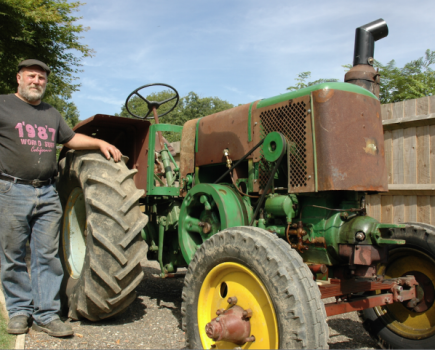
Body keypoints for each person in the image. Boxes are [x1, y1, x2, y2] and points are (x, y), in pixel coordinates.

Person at [0, 59, 122, 338]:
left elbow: (69, 140)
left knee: (48, 255)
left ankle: (46, 314)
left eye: (41, 78)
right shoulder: (4, 105)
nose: (36, 81)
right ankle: (19, 311)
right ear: (18, 78)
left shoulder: (50, 113)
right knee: (13, 253)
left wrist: (99, 142)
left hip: (46, 191)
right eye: (31, 76)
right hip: (12, 190)